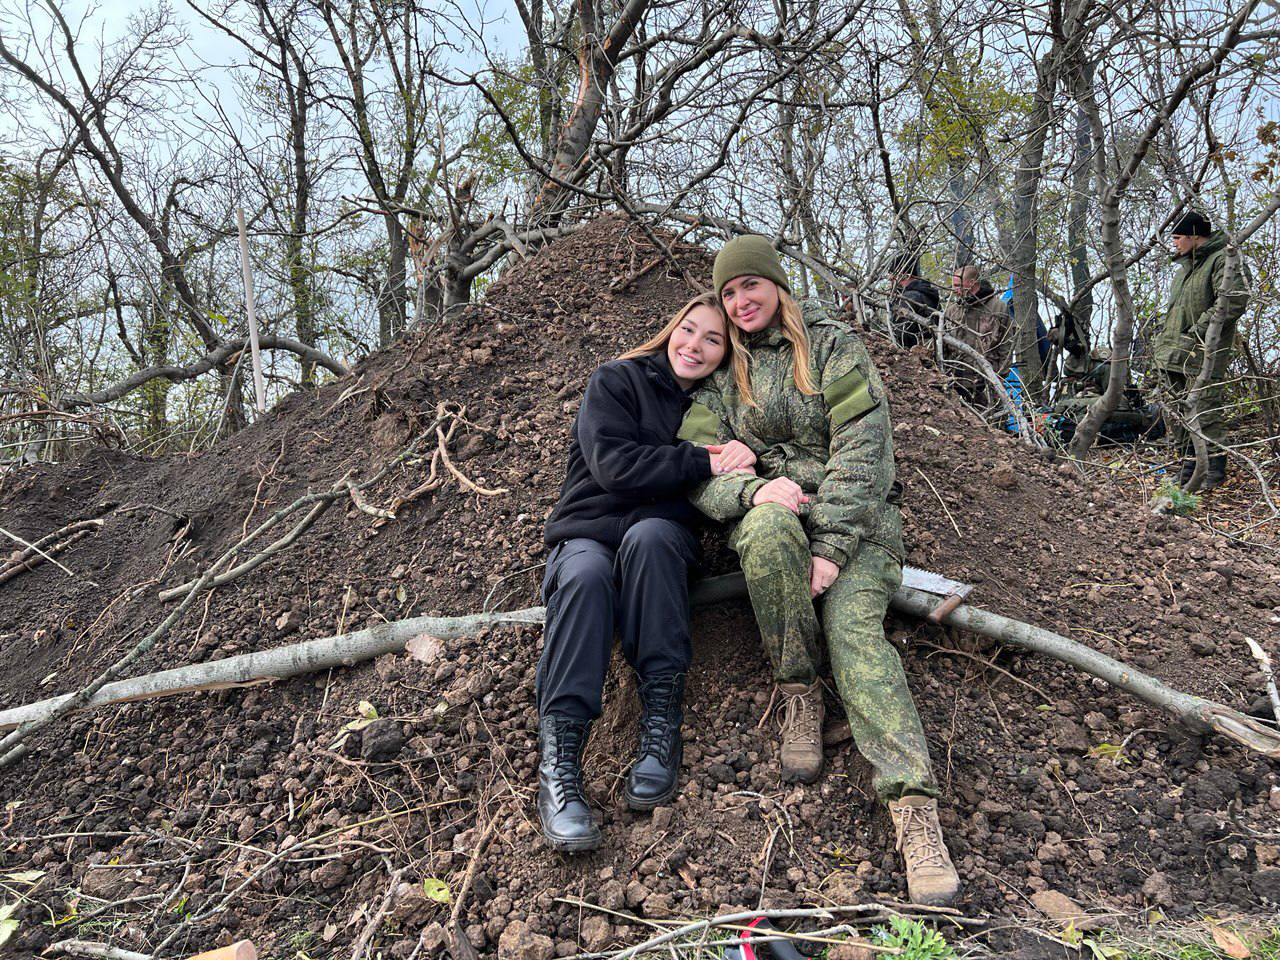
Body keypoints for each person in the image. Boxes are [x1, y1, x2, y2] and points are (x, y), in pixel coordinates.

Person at [678, 235, 960, 906]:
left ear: (776, 284)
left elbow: (865, 452)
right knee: (769, 529)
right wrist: (750, 493)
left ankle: (915, 812)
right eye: (728, 292)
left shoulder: (832, 348)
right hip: (777, 515)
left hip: (857, 525)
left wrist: (831, 548)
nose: (740, 301)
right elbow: (695, 462)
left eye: (750, 285)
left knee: (856, 634)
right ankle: (798, 690)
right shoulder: (723, 371)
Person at [537, 293, 755, 852]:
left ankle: (660, 724)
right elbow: (613, 467)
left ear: (726, 353)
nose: (696, 346)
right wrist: (700, 460)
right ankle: (560, 765)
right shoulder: (616, 380)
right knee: (584, 578)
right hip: (586, 531)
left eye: (714, 340)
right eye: (689, 330)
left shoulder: (718, 404)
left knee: (653, 538)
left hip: (660, 536)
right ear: (669, 329)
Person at [1151, 210, 1250, 489]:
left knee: (1204, 411)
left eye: (1178, 237)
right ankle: (1188, 470)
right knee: (1180, 414)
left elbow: (1233, 301)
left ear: (1195, 236)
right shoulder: (1184, 270)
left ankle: (1213, 473)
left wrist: (1197, 332)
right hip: (1173, 353)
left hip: (1203, 352)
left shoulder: (1224, 260)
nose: (1174, 243)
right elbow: (1177, 312)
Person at [944, 265, 1014, 407]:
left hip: (988, 380)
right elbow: (943, 345)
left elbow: (1007, 343)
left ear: (972, 282)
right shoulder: (952, 311)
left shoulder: (998, 308)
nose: (954, 290)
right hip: (957, 381)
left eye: (958, 285)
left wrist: (1001, 375)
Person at [886, 253, 940, 349]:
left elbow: (902, 334)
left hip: (916, 353)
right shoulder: (927, 293)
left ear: (904, 275)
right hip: (931, 349)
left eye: (893, 276)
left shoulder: (910, 297)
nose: (891, 280)